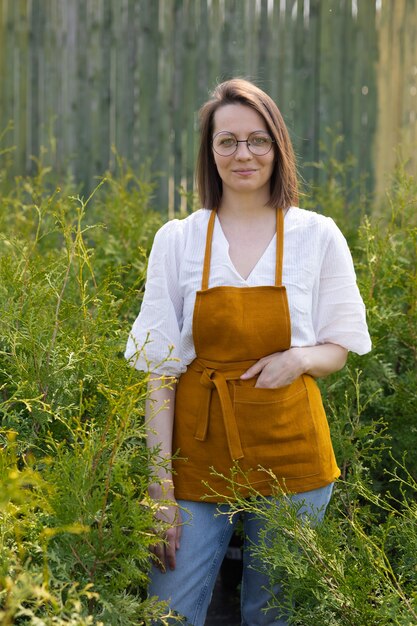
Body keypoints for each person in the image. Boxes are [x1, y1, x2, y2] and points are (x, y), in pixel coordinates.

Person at [125, 78, 371, 625]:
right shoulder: (179, 240)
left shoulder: (317, 236)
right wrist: (159, 486)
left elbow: (340, 347)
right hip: (196, 456)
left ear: (278, 146)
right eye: (227, 141)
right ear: (210, 153)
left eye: (257, 140)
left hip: (293, 457)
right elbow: (160, 372)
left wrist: (302, 358)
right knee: (169, 611)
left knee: (274, 615)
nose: (243, 154)